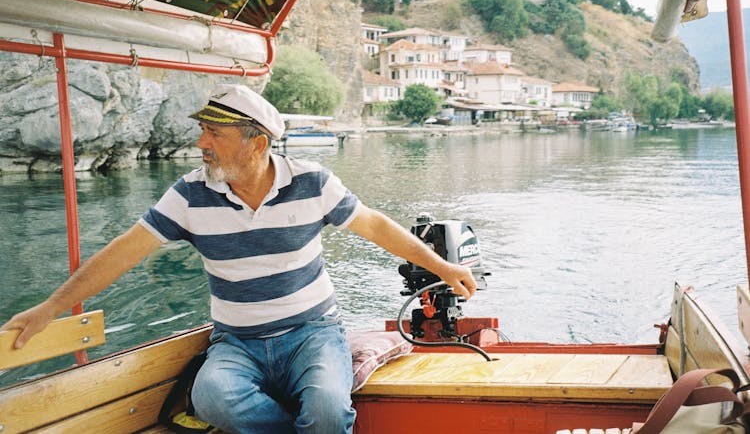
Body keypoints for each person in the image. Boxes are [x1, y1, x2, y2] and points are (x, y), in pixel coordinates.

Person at [1, 84, 478, 434]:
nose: (201, 143)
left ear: (258, 143)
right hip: (237, 341)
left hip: (312, 332)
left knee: (330, 409)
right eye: (204, 132)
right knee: (213, 400)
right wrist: (50, 308)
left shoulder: (312, 182)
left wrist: (444, 268)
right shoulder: (189, 195)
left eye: (214, 134)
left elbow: (374, 225)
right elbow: (124, 250)